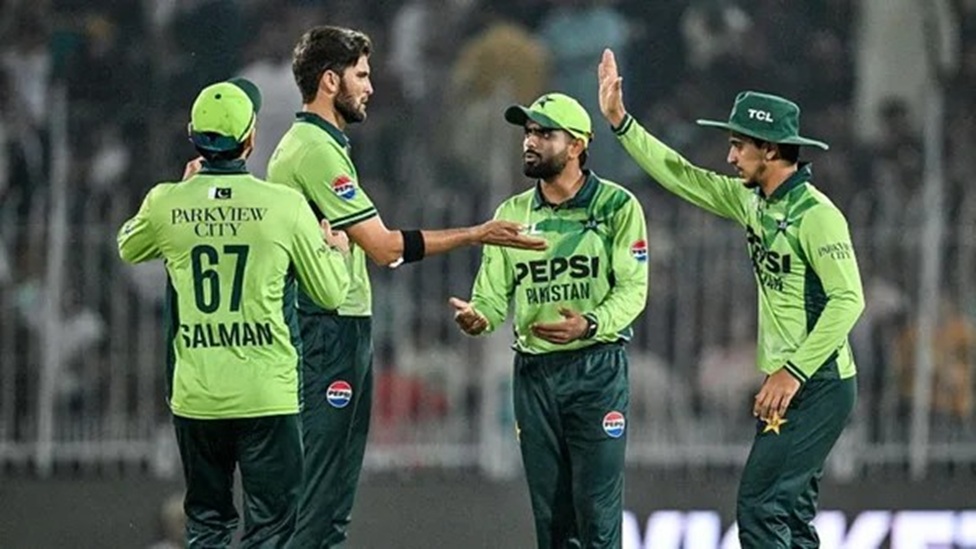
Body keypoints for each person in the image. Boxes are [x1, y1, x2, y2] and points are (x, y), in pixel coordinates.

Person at [265, 25, 547, 548]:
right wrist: (477, 234)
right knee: (317, 503)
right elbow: (383, 247)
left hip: (339, 328)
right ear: (330, 81)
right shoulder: (313, 151)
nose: (370, 87)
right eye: (361, 75)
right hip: (323, 330)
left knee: (330, 505)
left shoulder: (323, 147)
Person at [598, 49, 865, 547]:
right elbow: (682, 175)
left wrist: (793, 372)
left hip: (819, 383)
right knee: (791, 518)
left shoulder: (817, 215)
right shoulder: (752, 200)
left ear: (770, 149)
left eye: (739, 145)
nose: (730, 157)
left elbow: (849, 300)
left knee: (760, 507)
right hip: (791, 382)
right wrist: (621, 123)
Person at [118, 78, 351, 548]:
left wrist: (182, 191)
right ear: (251, 139)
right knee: (273, 528)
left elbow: (129, 245)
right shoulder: (284, 206)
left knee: (207, 524)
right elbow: (330, 294)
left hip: (198, 395)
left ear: (193, 137)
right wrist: (338, 252)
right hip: (268, 394)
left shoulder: (166, 202)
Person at [450, 92, 649, 548]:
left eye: (544, 133)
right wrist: (479, 317)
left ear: (577, 145)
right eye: (528, 132)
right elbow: (492, 295)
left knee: (597, 515)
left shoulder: (617, 207)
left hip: (596, 368)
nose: (530, 141)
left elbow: (633, 289)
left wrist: (590, 324)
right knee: (553, 519)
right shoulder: (511, 214)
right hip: (535, 375)